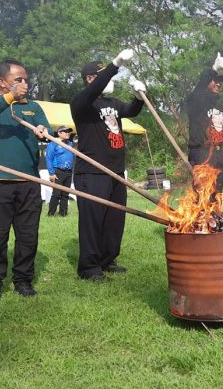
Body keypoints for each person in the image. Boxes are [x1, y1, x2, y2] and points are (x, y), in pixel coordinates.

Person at [0, 58, 51, 301]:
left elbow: (44, 127)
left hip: (29, 182)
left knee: (28, 235)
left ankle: (23, 280)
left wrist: (43, 131)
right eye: (18, 79)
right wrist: (10, 97)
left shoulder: (33, 106)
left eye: (26, 79)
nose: (24, 84)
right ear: (2, 82)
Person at [70, 49, 145, 281]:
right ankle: (90, 267)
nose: (110, 80)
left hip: (116, 171)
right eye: (103, 76)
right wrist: (115, 65)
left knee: (114, 218)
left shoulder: (112, 103)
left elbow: (131, 111)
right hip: (92, 171)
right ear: (91, 79)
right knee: (93, 219)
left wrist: (138, 97)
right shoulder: (81, 103)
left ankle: (107, 259)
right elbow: (92, 91)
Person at [186, 53, 223, 194]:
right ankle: (201, 217)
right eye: (214, 80)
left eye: (220, 82)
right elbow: (199, 88)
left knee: (216, 195)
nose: (218, 84)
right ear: (206, 82)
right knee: (202, 195)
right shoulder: (196, 102)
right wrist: (214, 68)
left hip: (218, 154)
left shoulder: (221, 108)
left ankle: (216, 216)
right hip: (201, 154)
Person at [45, 125, 75, 217]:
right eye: (65, 131)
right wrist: (51, 173)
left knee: (65, 194)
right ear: (59, 133)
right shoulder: (53, 143)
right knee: (56, 194)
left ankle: (63, 214)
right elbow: (49, 159)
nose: (67, 133)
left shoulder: (70, 144)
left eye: (68, 131)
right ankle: (51, 214)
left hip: (69, 172)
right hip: (58, 171)